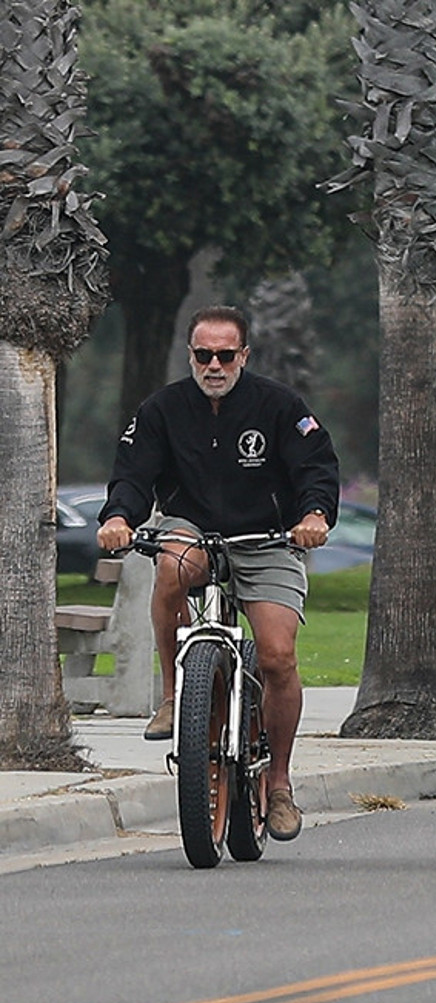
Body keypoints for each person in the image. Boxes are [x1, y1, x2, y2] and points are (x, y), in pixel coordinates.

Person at [97, 304, 339, 842]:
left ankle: (278, 783)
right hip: (195, 528)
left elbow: (316, 467)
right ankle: (171, 695)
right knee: (169, 568)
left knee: (277, 655)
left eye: (224, 355)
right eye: (202, 355)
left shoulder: (279, 405)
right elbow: (133, 474)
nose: (213, 365)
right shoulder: (162, 409)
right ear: (190, 355)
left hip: (267, 536)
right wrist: (118, 516)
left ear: (243, 356)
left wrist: (315, 515)